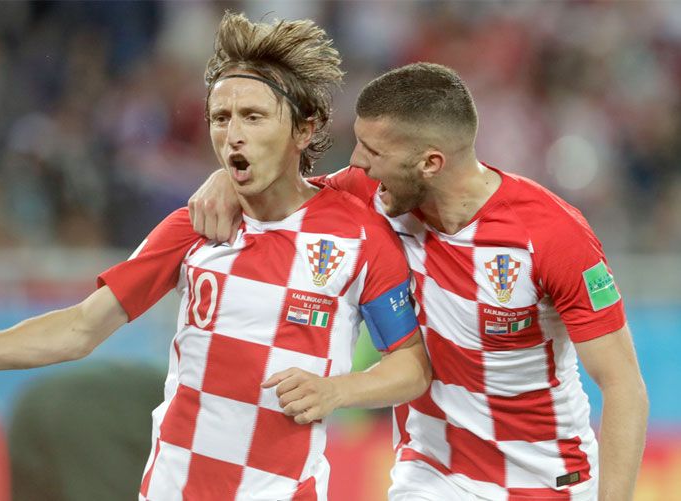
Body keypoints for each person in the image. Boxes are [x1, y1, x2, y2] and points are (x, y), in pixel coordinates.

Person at [0, 12, 432, 501]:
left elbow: (411, 366)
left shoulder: (359, 233)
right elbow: (79, 329)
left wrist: (337, 390)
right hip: (174, 489)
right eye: (220, 117)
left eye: (253, 116)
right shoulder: (193, 227)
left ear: (304, 129)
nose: (233, 135)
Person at [188, 62, 648, 500]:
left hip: (549, 480)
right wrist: (227, 180)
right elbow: (287, 196)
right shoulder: (373, 193)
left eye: (373, 151)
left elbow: (623, 385)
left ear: (430, 163)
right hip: (430, 476)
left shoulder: (553, 236)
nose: (357, 162)